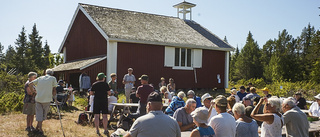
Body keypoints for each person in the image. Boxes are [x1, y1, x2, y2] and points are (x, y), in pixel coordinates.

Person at [29, 69, 58, 135]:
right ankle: (40, 130)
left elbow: (30, 84)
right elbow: (54, 90)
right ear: (52, 74)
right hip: (47, 99)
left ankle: (37, 127)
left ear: (45, 73)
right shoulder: (53, 78)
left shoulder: (40, 78)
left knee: (39, 114)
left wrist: (34, 92)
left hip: (39, 98)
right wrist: (55, 99)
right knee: (43, 115)